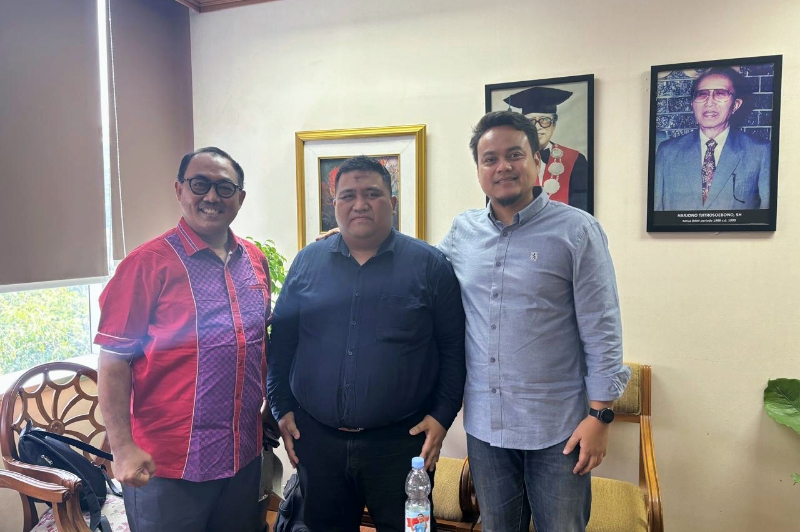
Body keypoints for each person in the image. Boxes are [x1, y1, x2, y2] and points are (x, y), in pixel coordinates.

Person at [437, 111, 630, 532]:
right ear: (478, 169)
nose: (502, 167)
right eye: (490, 159)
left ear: (537, 160)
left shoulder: (577, 230)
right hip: (486, 427)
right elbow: (420, 277)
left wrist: (600, 416)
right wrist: (357, 241)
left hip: (559, 430)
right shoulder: (462, 232)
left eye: (514, 155)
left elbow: (602, 327)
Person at [267, 155, 466, 532]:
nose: (360, 204)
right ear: (335, 204)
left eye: (372, 194)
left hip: (402, 447)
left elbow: (454, 352)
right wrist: (281, 406)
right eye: (348, 195)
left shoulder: (430, 267)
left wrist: (442, 417)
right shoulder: (307, 263)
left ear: (392, 203)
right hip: (318, 443)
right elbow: (282, 344)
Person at [95, 147, 270, 532]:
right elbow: (113, 361)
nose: (212, 197)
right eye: (199, 184)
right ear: (179, 190)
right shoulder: (146, 264)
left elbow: (260, 347)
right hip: (167, 467)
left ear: (240, 197)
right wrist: (122, 448)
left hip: (242, 457)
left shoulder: (256, 261)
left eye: (225, 188)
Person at [654, 66, 771, 211]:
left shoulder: (760, 152)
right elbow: (656, 212)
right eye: (702, 95)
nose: (709, 102)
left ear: (735, 105)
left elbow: (766, 215)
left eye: (720, 94)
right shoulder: (667, 152)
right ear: (692, 104)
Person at [504, 85, 590, 211]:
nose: (538, 127)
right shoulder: (509, 161)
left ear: (554, 125)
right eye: (531, 121)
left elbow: (582, 208)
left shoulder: (575, 160)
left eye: (545, 120)